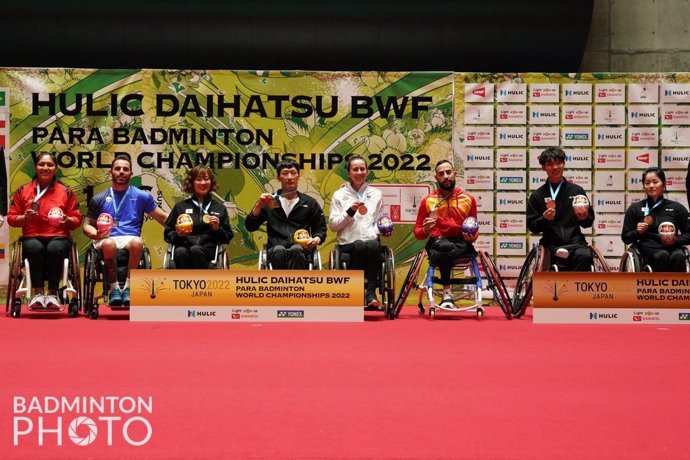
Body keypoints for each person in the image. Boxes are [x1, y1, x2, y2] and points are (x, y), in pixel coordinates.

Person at [82, 155, 168, 306]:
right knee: (109, 243)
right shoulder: (99, 198)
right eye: (118, 169)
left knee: (138, 242)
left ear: (130, 174)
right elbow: (87, 224)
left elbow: (162, 218)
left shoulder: (142, 196)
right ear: (111, 172)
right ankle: (114, 288)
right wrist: (96, 233)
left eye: (125, 169)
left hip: (130, 237)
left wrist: (181, 223)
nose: (121, 172)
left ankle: (128, 287)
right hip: (105, 238)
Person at [7, 152, 82, 309]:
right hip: (32, 236)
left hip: (58, 236)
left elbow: (76, 219)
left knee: (55, 249)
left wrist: (68, 220)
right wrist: (24, 218)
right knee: (34, 248)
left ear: (55, 168)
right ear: (36, 167)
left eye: (50, 165)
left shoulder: (66, 191)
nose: (45, 168)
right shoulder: (23, 191)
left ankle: (53, 294)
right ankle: (38, 293)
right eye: (42, 164)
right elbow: (11, 218)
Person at [413, 159, 478, 308]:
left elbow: (474, 229)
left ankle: (446, 292)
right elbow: (418, 233)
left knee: (443, 250)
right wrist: (426, 229)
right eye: (441, 174)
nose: (446, 176)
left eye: (448, 172)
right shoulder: (428, 201)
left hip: (460, 242)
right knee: (442, 245)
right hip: (437, 241)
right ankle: (447, 293)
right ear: (436, 178)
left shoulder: (468, 199)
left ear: (455, 174)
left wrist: (472, 237)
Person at [245, 159, 327, 269]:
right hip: (275, 250)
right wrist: (259, 205)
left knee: (296, 249)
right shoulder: (269, 201)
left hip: (302, 250)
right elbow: (250, 226)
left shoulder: (310, 203)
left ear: (298, 176)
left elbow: (320, 229)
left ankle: (299, 285)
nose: (289, 177)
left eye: (293, 173)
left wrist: (316, 239)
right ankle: (279, 285)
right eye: (285, 173)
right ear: (278, 178)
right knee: (279, 250)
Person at [328, 155, 385, 308]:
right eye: (355, 169)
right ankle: (356, 292)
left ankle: (371, 295)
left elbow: (379, 220)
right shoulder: (339, 195)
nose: (359, 172)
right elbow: (333, 225)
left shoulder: (376, 193)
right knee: (359, 245)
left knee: (373, 245)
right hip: (347, 243)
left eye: (362, 169)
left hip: (370, 241)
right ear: (348, 173)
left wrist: (380, 229)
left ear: (367, 171)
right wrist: (350, 211)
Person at [526, 146, 594, 271]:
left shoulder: (577, 191)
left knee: (585, 256)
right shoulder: (537, 195)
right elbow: (532, 226)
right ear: (543, 167)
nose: (555, 167)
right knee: (551, 259)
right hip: (551, 245)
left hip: (576, 243)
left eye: (559, 163)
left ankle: (575, 290)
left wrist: (584, 217)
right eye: (550, 164)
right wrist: (545, 219)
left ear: (563, 164)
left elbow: (589, 222)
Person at [164, 165, 234, 268]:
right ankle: (181, 282)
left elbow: (227, 237)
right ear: (192, 183)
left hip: (208, 252)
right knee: (179, 252)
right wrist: (178, 234)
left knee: (195, 250)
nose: (203, 183)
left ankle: (200, 281)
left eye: (206, 179)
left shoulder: (219, 208)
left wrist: (217, 229)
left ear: (211, 182)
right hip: (184, 247)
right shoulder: (180, 207)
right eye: (198, 179)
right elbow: (167, 233)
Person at [622, 167, 690, 272]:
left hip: (673, 246)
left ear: (663, 184)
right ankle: (658, 288)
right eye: (647, 183)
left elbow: (688, 234)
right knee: (662, 255)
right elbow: (625, 237)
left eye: (655, 182)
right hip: (648, 248)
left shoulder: (677, 208)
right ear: (643, 186)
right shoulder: (635, 208)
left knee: (678, 256)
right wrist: (638, 232)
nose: (651, 186)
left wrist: (676, 240)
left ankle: (677, 288)